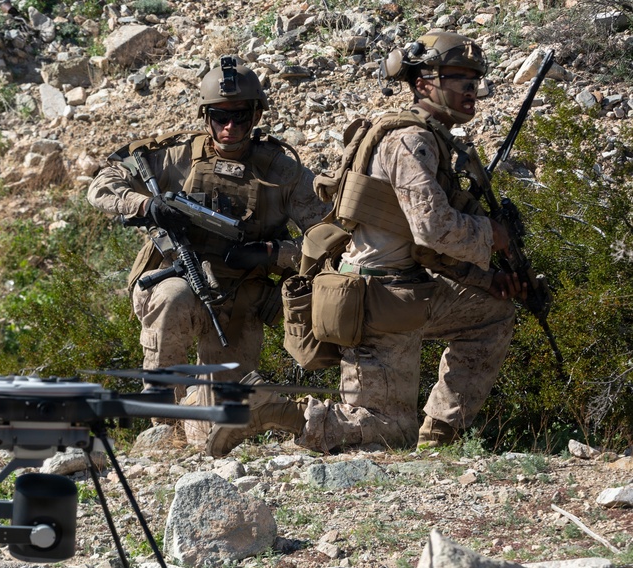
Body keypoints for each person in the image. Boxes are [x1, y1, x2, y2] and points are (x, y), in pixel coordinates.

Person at [207, 30, 525, 456]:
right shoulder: (410, 141)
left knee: (491, 314)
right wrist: (492, 235)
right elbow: (433, 229)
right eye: (458, 78)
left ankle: (440, 438)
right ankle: (269, 409)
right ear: (422, 83)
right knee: (387, 430)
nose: (471, 89)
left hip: (403, 289)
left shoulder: (424, 137)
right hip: (378, 300)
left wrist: (484, 280)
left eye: (474, 79)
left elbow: (421, 245)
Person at [86, 56, 328, 439]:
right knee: (170, 297)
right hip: (180, 278)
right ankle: (162, 423)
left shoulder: (281, 172)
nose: (230, 127)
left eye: (240, 117)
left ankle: (196, 417)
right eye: (220, 117)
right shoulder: (176, 155)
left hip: (241, 297)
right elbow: (102, 185)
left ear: (257, 115)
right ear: (206, 116)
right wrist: (147, 206)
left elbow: (329, 237)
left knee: (220, 427)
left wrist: (274, 254)